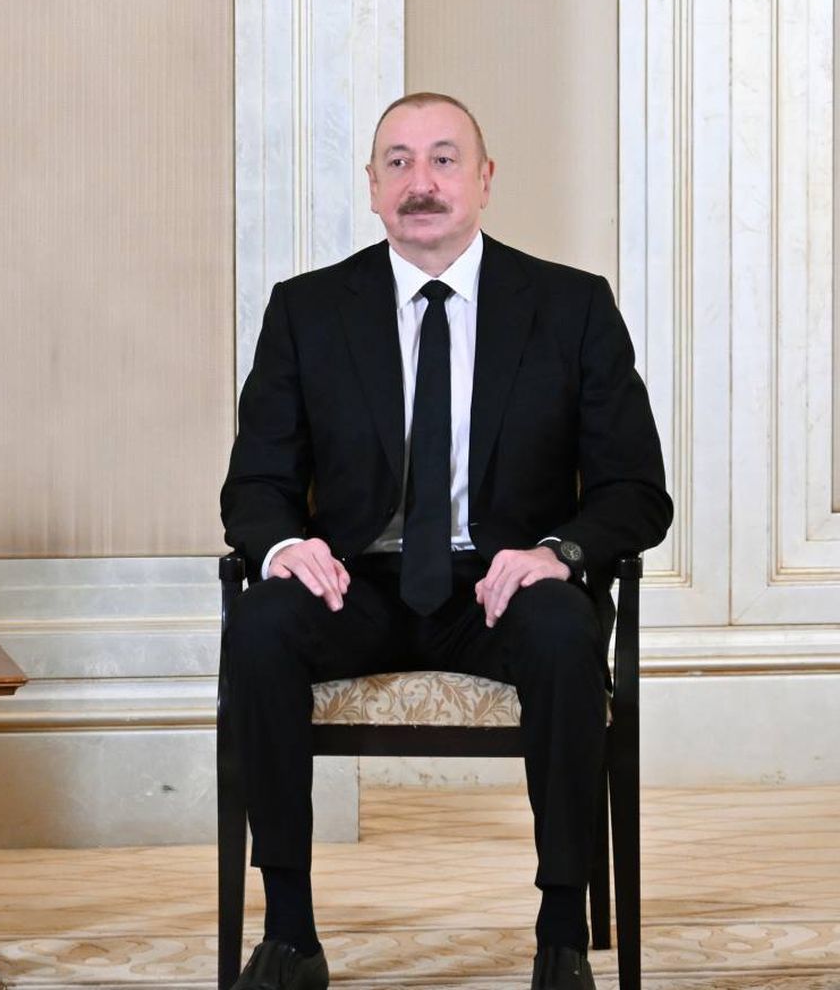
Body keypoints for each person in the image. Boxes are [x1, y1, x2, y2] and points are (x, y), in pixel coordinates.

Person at [218, 93, 672, 990]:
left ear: (485, 179)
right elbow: (256, 484)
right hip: (355, 585)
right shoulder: (308, 310)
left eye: (443, 159)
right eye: (397, 162)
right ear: (371, 187)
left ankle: (560, 933)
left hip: (501, 584)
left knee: (563, 630)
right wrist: (281, 549)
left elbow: (636, 490)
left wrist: (558, 555)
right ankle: (290, 933)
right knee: (262, 625)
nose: (419, 182)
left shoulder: (571, 306)